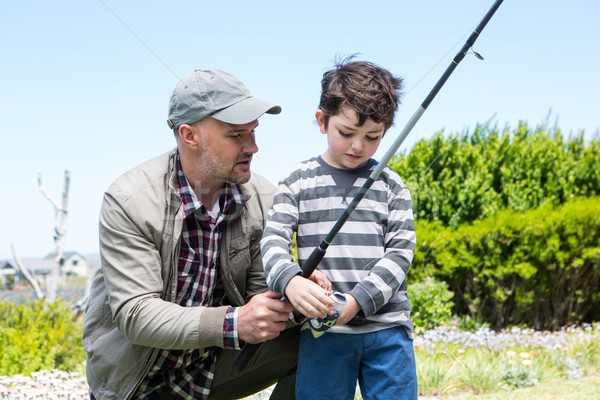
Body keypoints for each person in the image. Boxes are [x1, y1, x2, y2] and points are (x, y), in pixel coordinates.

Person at [82, 69, 324, 400]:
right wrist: (234, 323)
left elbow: (259, 296)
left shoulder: (264, 198)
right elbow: (136, 314)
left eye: (253, 132)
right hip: (135, 382)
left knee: (320, 340)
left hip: (209, 371)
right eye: (236, 135)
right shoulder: (129, 199)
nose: (253, 147)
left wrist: (296, 294)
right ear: (189, 135)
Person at [261, 57, 418, 400]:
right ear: (322, 121)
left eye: (373, 136)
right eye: (346, 133)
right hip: (323, 335)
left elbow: (401, 253)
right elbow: (273, 240)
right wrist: (290, 281)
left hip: (388, 331)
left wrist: (357, 302)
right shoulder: (297, 181)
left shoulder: (392, 185)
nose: (358, 146)